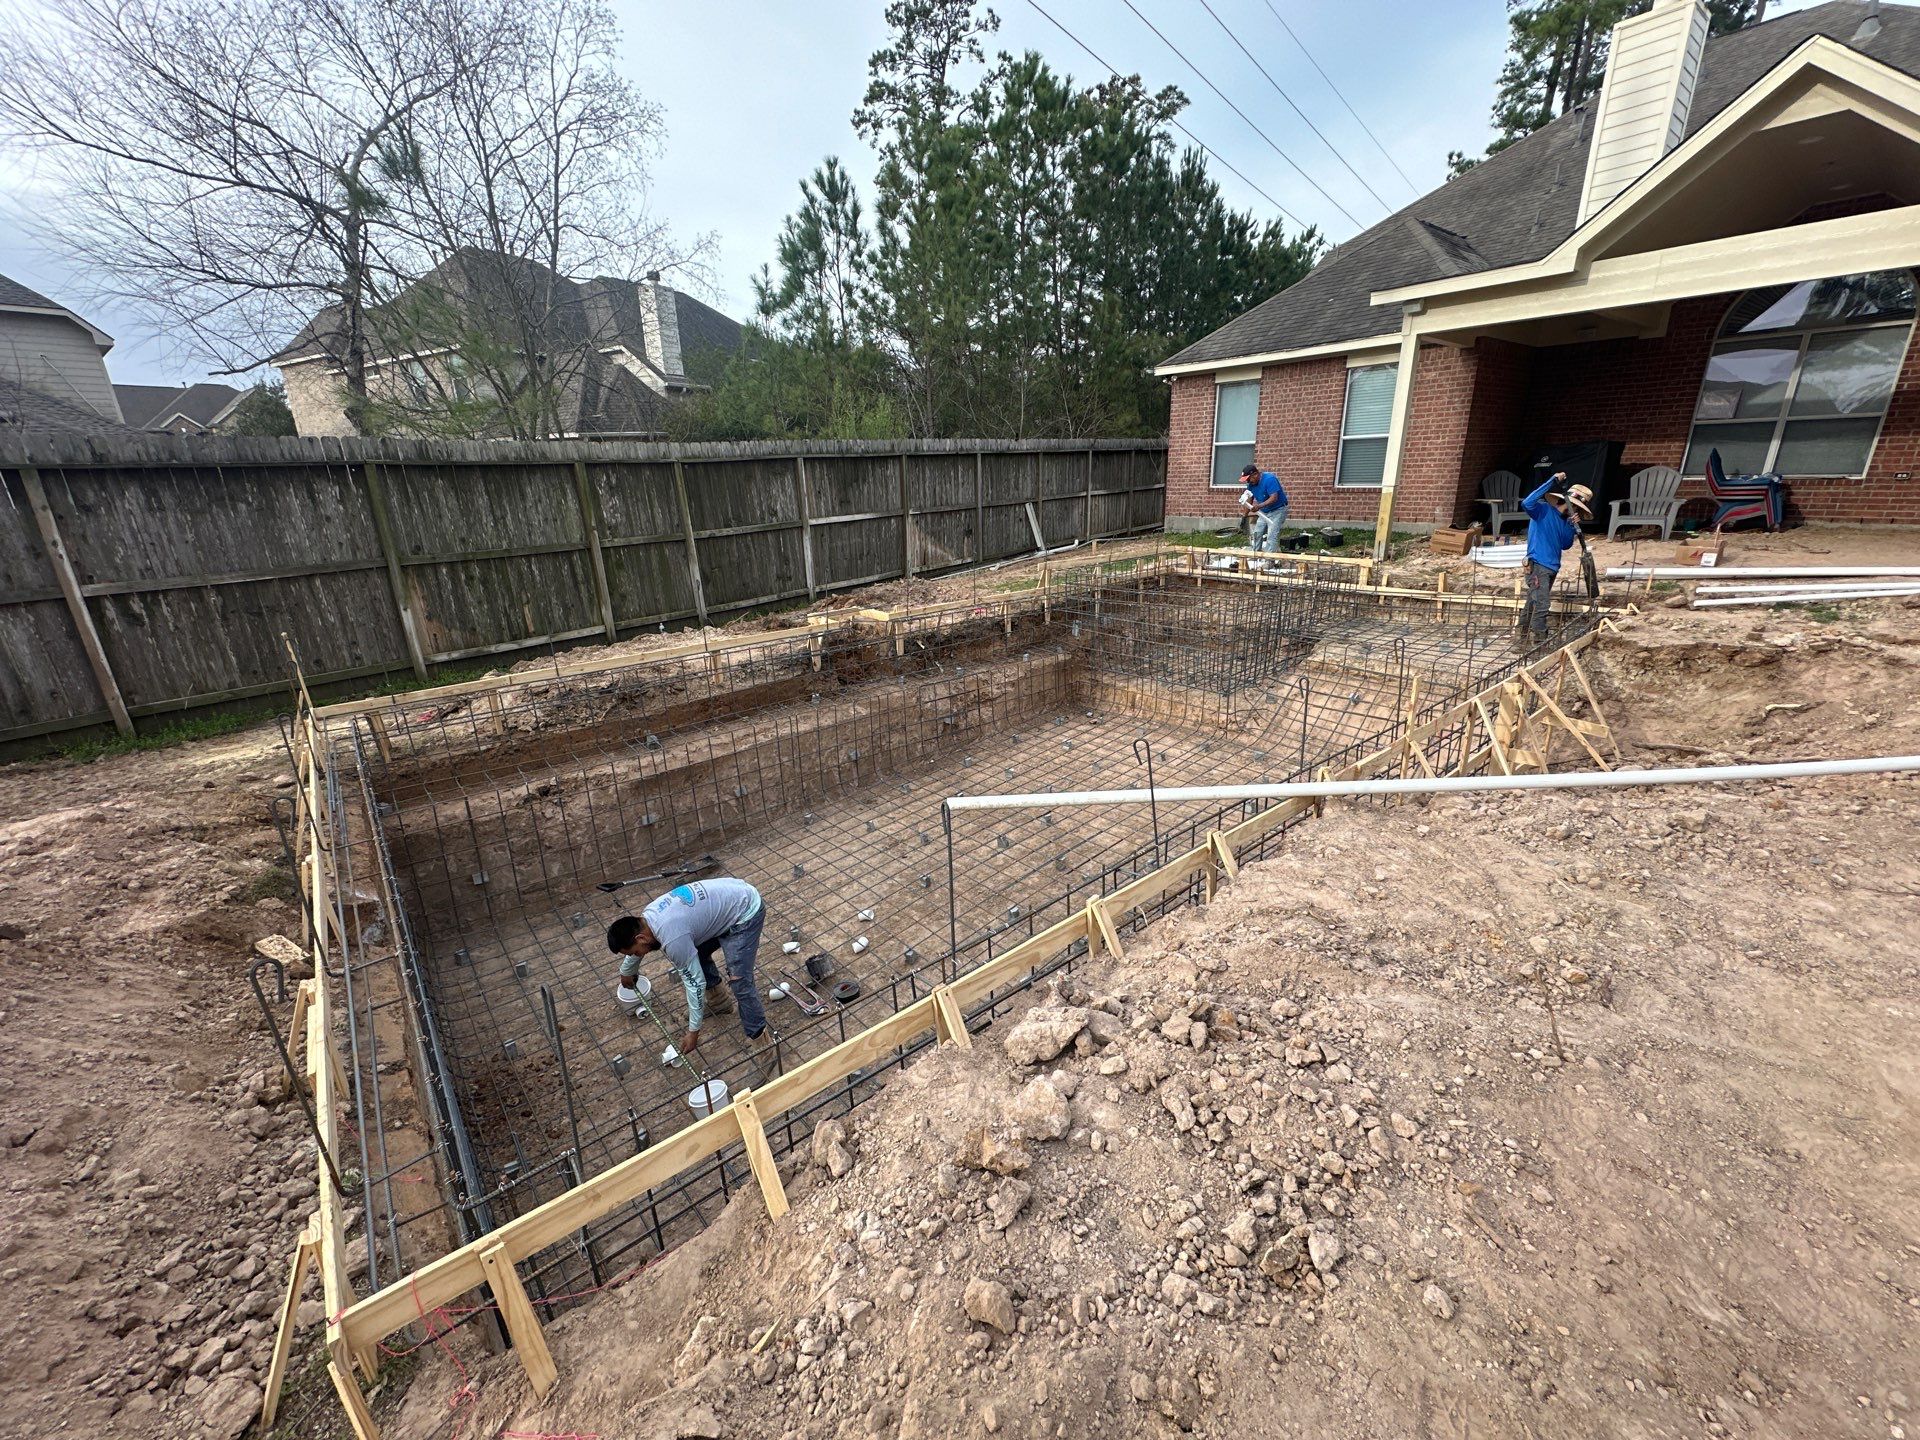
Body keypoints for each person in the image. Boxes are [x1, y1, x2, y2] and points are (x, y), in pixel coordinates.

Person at [606, 876, 776, 1070]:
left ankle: (764, 1050)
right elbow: (645, 945)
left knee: (740, 982)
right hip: (730, 898)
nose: (638, 955)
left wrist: (693, 1031)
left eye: (635, 953)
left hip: (745, 911)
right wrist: (627, 970)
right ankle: (720, 1002)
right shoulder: (649, 917)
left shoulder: (673, 939)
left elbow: (695, 984)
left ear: (640, 937)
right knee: (697, 952)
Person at [1515, 474, 1593, 651]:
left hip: (1551, 567)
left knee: (1533, 602)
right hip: (1537, 566)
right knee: (1542, 604)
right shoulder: (1542, 511)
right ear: (1571, 504)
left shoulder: (1565, 522)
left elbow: (1565, 544)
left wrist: (1572, 526)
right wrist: (1552, 481)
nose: (1578, 513)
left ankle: (1521, 639)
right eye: (1578, 509)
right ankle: (1540, 642)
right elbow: (1527, 503)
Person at [1239, 463, 1288, 558]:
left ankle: (1270, 561)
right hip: (1265, 511)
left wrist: (1259, 506)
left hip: (1278, 510)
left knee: (1271, 535)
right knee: (1257, 532)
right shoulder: (1252, 484)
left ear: (1255, 474)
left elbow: (1274, 497)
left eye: (1249, 479)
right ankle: (1255, 556)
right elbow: (1249, 497)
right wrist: (1244, 515)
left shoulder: (1269, 479)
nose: (1248, 482)